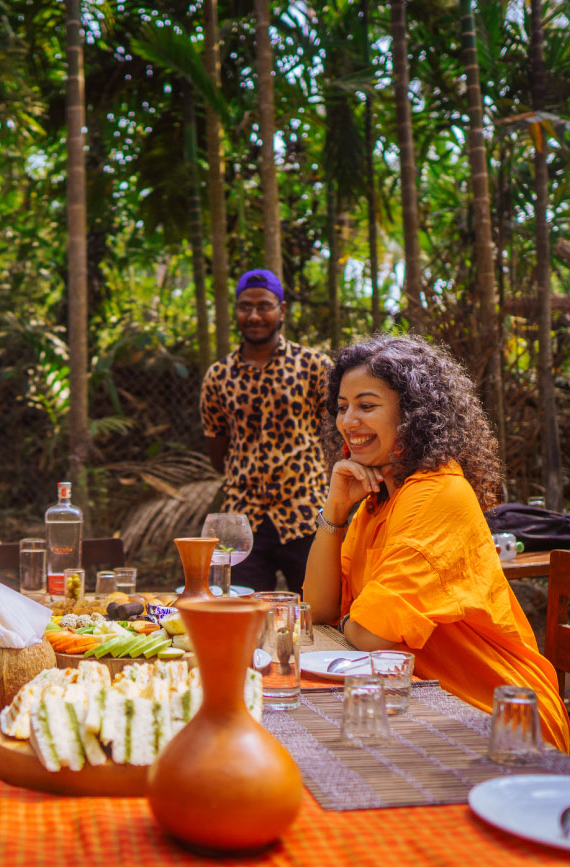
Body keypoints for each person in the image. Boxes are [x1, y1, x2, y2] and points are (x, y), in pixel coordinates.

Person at [304, 334, 570, 750]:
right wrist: (335, 509)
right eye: (342, 407)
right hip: (417, 702)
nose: (348, 421)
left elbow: (370, 636)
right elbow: (317, 609)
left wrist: (353, 622)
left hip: (497, 717)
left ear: (413, 415)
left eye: (366, 406)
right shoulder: (376, 500)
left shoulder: (437, 492)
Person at [200, 269, 331, 592]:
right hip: (243, 520)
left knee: (317, 606)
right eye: (245, 307)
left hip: (305, 512)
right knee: (242, 610)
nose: (254, 315)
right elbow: (217, 451)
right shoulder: (218, 376)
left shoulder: (313, 366)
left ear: (281, 310)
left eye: (264, 306)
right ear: (236, 311)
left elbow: (335, 435)